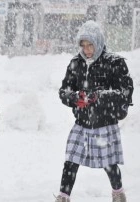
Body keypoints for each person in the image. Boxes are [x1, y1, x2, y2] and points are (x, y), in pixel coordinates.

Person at [56, 20, 134, 202]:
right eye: (83, 45)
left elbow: (125, 93)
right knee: (71, 161)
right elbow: (63, 91)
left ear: (99, 42)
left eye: (90, 44)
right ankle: (63, 196)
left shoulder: (114, 63)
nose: (87, 49)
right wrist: (75, 97)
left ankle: (118, 193)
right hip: (82, 122)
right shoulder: (76, 63)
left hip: (105, 122)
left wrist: (98, 96)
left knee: (109, 163)